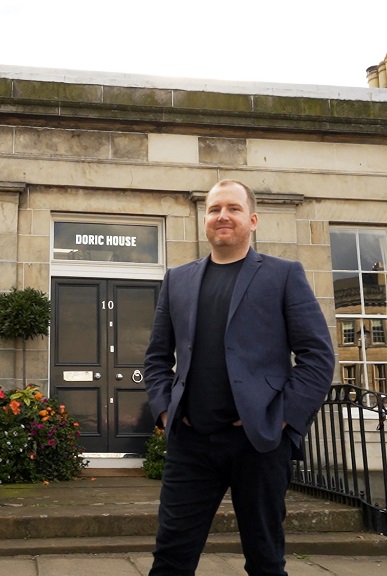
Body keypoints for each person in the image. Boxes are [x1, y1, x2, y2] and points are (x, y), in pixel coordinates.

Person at [143, 179, 335, 576]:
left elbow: (317, 356)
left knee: (265, 561)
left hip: (259, 443)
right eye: (214, 209)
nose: (221, 216)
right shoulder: (177, 279)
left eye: (231, 208)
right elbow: (157, 357)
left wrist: (282, 418)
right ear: (205, 220)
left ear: (252, 219)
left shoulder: (283, 275)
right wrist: (165, 412)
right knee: (170, 559)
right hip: (191, 443)